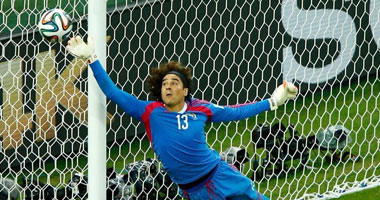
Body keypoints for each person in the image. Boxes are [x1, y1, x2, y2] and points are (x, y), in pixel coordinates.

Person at [66, 36, 298, 200]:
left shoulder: (201, 109)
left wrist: (273, 101)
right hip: (192, 191)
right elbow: (113, 93)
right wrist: (92, 59)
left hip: (221, 175)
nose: (168, 87)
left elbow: (236, 111)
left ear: (185, 90)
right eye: (165, 84)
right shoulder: (150, 112)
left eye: (174, 83)